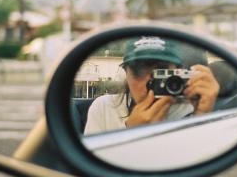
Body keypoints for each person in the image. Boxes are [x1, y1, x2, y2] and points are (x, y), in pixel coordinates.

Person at [83, 36, 220, 135]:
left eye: (161, 71)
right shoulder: (104, 109)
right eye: (138, 71)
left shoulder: (190, 107)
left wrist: (202, 116)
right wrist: (130, 133)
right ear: (126, 72)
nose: (149, 84)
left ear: (178, 72)